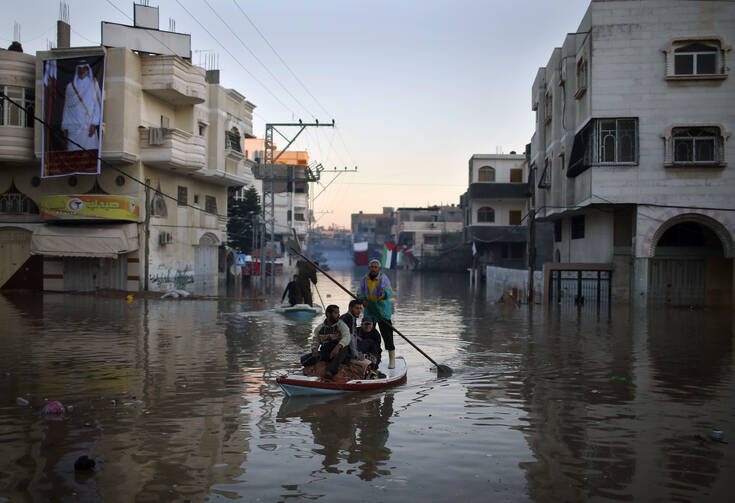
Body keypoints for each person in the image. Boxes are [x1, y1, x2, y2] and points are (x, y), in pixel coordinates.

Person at [356, 259, 396, 368]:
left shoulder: (383, 278)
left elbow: (388, 290)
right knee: (367, 336)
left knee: (387, 336)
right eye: (372, 267)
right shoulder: (365, 279)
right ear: (369, 268)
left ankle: (392, 360)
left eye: (375, 267)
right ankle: (368, 357)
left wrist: (384, 294)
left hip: (382, 312)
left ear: (379, 269)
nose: (373, 269)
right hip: (370, 312)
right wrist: (362, 299)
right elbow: (360, 292)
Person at [61, 61, 102, 151]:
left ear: (87, 69)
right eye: (80, 69)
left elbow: (97, 105)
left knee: (89, 153)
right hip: (73, 127)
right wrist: (65, 126)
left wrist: (94, 123)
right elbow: (67, 108)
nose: (82, 71)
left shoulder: (93, 85)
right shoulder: (70, 87)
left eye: (84, 68)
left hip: (87, 126)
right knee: (73, 153)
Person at [309, 304, 351, 380]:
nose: (338, 315)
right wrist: (314, 349)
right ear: (328, 314)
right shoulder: (320, 328)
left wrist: (338, 347)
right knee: (306, 358)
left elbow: (347, 337)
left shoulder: (341, 325)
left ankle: (331, 371)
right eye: (336, 313)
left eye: (338, 313)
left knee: (345, 348)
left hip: (340, 352)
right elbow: (315, 341)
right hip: (327, 351)